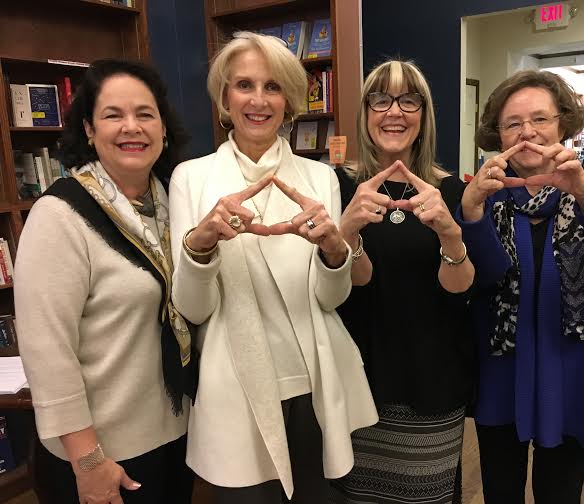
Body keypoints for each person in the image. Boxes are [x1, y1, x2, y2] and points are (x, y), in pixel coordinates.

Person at [168, 32, 378, 503]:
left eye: (273, 87)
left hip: (315, 380)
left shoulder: (321, 177)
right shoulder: (192, 178)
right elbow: (193, 310)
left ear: (290, 100)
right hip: (235, 385)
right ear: (224, 97)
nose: (258, 100)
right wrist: (200, 248)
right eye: (244, 85)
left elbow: (332, 299)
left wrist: (332, 250)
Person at [456, 69, 584, 504]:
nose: (528, 133)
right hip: (502, 374)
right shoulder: (485, 201)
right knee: (500, 491)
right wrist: (471, 214)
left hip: (573, 375)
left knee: (560, 493)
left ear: (563, 125)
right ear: (498, 136)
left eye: (539, 119)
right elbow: (480, 279)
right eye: (513, 124)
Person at [14, 59, 195, 503]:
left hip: (175, 432)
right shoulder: (60, 215)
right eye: (113, 115)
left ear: (164, 129)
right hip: (101, 452)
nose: (131, 127)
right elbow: (47, 351)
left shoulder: (178, 204)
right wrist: (88, 460)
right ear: (89, 130)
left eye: (145, 114)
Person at [330, 60, 476, 504]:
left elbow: (461, 290)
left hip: (430, 381)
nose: (394, 111)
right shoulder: (336, 186)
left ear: (424, 114)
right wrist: (347, 230)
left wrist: (450, 234)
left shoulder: (452, 192)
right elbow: (351, 282)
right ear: (366, 112)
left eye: (408, 100)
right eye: (381, 99)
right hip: (358, 378)